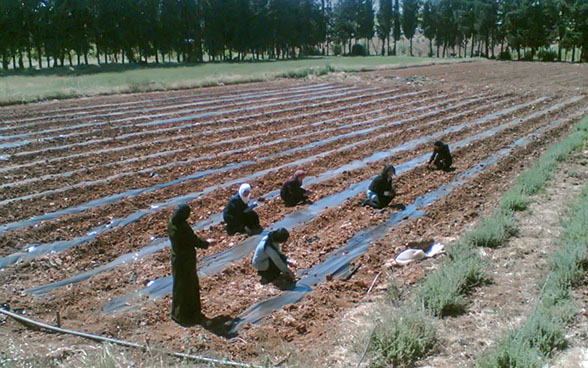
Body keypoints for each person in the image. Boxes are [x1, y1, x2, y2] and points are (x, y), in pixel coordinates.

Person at [168, 204, 215, 327]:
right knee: (189, 287)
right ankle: (188, 315)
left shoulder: (172, 223)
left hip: (177, 259)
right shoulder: (182, 228)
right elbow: (193, 241)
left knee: (179, 287)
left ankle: (177, 313)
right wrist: (208, 244)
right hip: (186, 261)